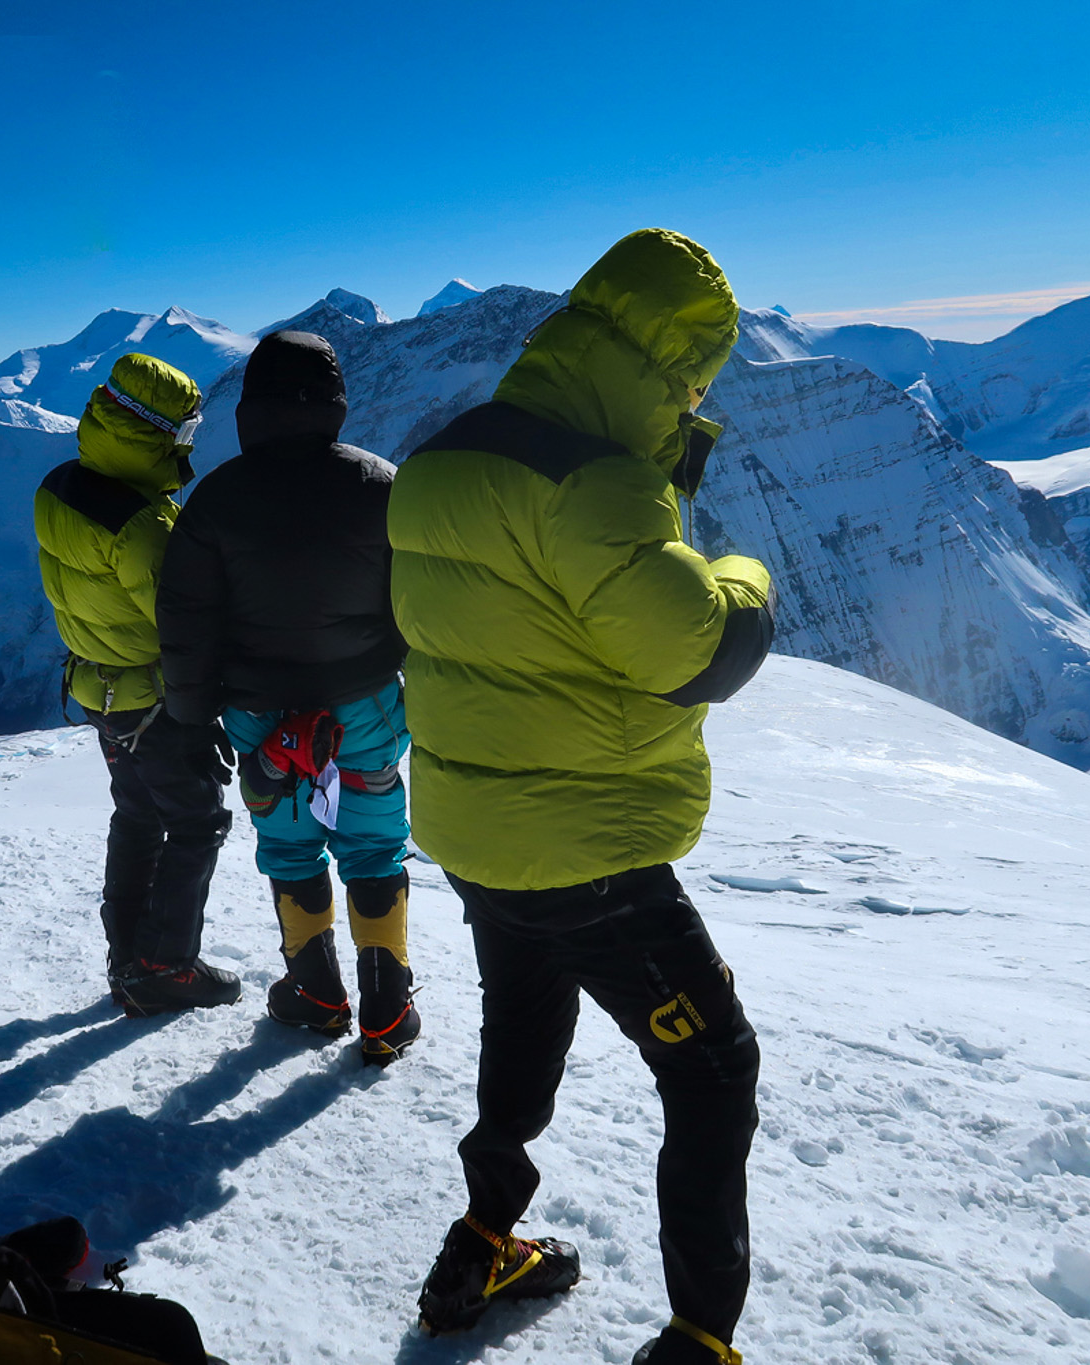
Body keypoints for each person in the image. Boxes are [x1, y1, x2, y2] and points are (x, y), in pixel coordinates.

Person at [389, 230, 774, 1363]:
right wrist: (743, 574)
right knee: (712, 1073)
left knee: (526, 1021)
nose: (703, 394)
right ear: (669, 363)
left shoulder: (443, 455)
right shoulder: (594, 484)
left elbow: (503, 621)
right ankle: (699, 1340)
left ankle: (481, 1238)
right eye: (697, 374)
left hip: (473, 828)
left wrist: (655, 486)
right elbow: (693, 648)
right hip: (589, 850)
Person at [156, 330, 420, 1065]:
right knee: (372, 843)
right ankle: (387, 1010)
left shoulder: (215, 501)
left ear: (249, 409)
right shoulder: (383, 485)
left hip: (258, 715)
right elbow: (420, 602)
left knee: (289, 844)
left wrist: (189, 714)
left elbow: (185, 620)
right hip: (364, 707)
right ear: (335, 402)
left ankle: (316, 992)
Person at [33, 352, 240, 1017]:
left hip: (100, 692)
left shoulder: (59, 484)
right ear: (153, 432)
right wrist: (208, 701)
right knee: (198, 821)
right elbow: (185, 621)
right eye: (182, 432)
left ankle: (128, 955)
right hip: (155, 698)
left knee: (138, 812)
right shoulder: (145, 526)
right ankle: (165, 965)